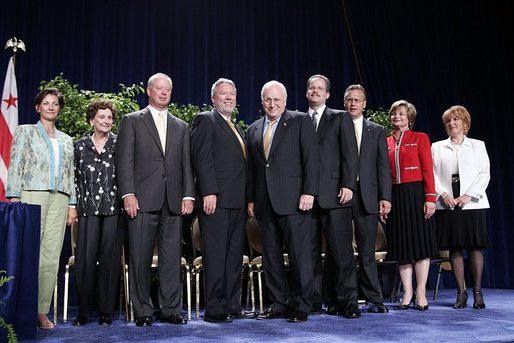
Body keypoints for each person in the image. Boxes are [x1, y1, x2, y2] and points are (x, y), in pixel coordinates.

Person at [115, 73, 194, 327]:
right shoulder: (132, 121)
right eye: (159, 89)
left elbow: (186, 165)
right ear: (149, 91)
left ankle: (171, 309)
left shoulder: (181, 126)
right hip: (141, 201)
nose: (163, 93)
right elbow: (124, 160)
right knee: (139, 258)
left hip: (172, 201)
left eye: (167, 89)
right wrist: (128, 194)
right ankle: (143, 311)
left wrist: (188, 195)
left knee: (171, 258)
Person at [247, 80, 319, 322]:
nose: (272, 104)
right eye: (268, 99)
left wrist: (309, 192)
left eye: (277, 99)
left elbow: (311, 160)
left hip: (295, 201)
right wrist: (251, 199)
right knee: (271, 256)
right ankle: (279, 303)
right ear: (262, 101)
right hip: (264, 203)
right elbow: (253, 169)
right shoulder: (254, 129)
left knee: (300, 256)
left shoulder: (300, 121)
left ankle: (302, 305)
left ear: (285, 101)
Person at [5, 88, 78, 330]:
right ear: (38, 107)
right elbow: (16, 163)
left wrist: (72, 203)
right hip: (31, 194)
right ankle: (20, 308)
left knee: (50, 257)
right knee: (29, 253)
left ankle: (41, 311)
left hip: (60, 198)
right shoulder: (25, 131)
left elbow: (70, 174)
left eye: (55, 103)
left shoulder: (67, 140)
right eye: (45, 103)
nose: (50, 107)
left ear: (59, 108)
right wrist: (13, 197)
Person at [190, 78, 250, 323]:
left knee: (234, 256)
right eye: (223, 94)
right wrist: (208, 192)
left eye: (231, 94)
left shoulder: (235, 126)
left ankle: (231, 304)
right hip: (216, 199)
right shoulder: (206, 119)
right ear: (213, 98)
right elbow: (201, 158)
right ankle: (215, 309)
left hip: (237, 201)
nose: (228, 97)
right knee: (216, 255)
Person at [304, 75, 361, 318]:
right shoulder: (297, 120)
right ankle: (316, 301)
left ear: (328, 94)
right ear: (307, 92)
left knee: (341, 253)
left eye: (320, 88)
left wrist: (348, 185)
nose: (315, 91)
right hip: (305, 199)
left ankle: (347, 302)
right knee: (309, 254)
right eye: (312, 88)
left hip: (336, 196)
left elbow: (351, 154)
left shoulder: (340, 117)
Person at [431, 105, 490, 310]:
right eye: (448, 121)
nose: (452, 124)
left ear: (465, 123)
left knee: (474, 247)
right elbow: (431, 174)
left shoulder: (477, 145)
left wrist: (468, 195)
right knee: (454, 248)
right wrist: (445, 194)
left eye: (456, 120)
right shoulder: (437, 147)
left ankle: (477, 293)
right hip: (447, 204)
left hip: (472, 204)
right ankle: (461, 293)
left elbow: (484, 173)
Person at [72, 99, 122, 326]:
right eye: (102, 117)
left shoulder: (119, 143)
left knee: (110, 262)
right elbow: (73, 177)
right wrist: (72, 205)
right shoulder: (80, 145)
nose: (106, 121)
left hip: (113, 209)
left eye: (110, 117)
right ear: (92, 120)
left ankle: (105, 312)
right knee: (85, 260)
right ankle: (83, 311)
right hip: (87, 209)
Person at [343, 84, 391, 314]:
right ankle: (348, 300)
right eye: (349, 99)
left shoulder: (377, 130)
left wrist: (385, 197)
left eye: (357, 100)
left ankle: (375, 299)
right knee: (342, 253)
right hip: (340, 196)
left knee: (367, 253)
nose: (353, 103)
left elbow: (383, 167)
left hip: (368, 198)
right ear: (344, 102)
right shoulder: (336, 125)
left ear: (364, 104)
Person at [386, 100, 438, 311]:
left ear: (410, 118)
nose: (397, 117)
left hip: (416, 194)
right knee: (403, 247)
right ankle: (407, 293)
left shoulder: (420, 138)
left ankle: (421, 292)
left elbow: (427, 169)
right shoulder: (386, 140)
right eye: (394, 114)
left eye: (401, 114)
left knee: (420, 246)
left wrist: (430, 198)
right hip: (395, 196)